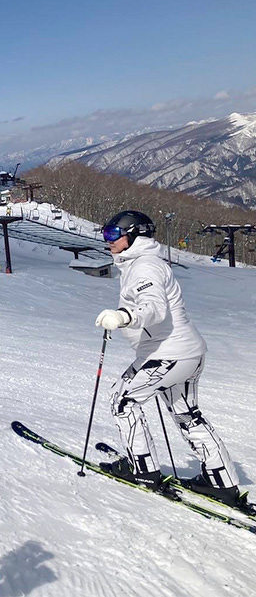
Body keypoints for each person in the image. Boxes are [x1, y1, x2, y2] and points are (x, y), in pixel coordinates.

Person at [95, 210, 246, 508]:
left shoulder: (144, 267)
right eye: (106, 234)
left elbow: (153, 309)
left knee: (122, 401)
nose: (107, 240)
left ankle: (144, 470)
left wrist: (123, 317)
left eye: (113, 234)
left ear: (133, 235)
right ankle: (221, 482)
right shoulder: (144, 263)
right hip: (186, 353)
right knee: (187, 415)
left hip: (167, 354)